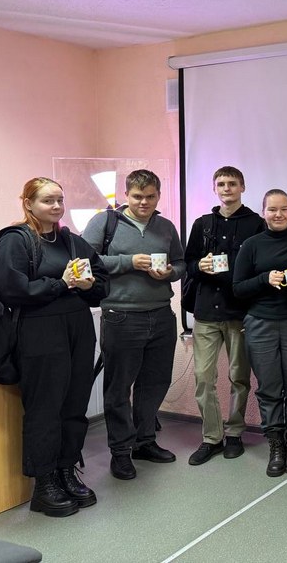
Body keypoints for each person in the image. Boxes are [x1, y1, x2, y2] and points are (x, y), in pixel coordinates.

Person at [0, 178, 108, 517]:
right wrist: (61, 284)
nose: (56, 206)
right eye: (48, 200)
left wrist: (87, 285)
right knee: (45, 407)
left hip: (78, 329)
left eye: (60, 199)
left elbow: (102, 284)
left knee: (74, 404)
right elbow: (12, 289)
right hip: (39, 332)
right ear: (28, 203)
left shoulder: (72, 242)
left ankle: (66, 470)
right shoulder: (15, 241)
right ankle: (44, 484)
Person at [83, 169, 185, 481]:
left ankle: (144, 442)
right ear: (126, 195)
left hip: (161, 315)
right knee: (118, 388)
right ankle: (121, 452)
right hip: (121, 316)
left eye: (150, 197)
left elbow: (181, 263)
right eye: (138, 196)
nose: (144, 202)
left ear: (158, 196)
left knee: (155, 383)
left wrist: (169, 272)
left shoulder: (166, 226)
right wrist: (130, 262)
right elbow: (86, 261)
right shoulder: (105, 222)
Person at [183, 166, 265, 465]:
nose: (226, 188)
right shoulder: (202, 224)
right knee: (203, 378)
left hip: (239, 313)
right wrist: (198, 266)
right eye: (221, 184)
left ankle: (234, 434)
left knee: (239, 378)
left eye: (232, 183)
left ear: (242, 187)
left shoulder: (257, 224)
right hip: (206, 312)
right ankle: (211, 437)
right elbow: (187, 263)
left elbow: (260, 266)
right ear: (214, 188)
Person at [233, 189, 287, 477]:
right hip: (261, 324)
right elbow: (238, 288)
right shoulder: (252, 245)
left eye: (284, 209)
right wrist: (263, 279)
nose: (278, 214)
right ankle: (276, 446)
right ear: (263, 212)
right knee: (268, 389)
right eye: (272, 209)